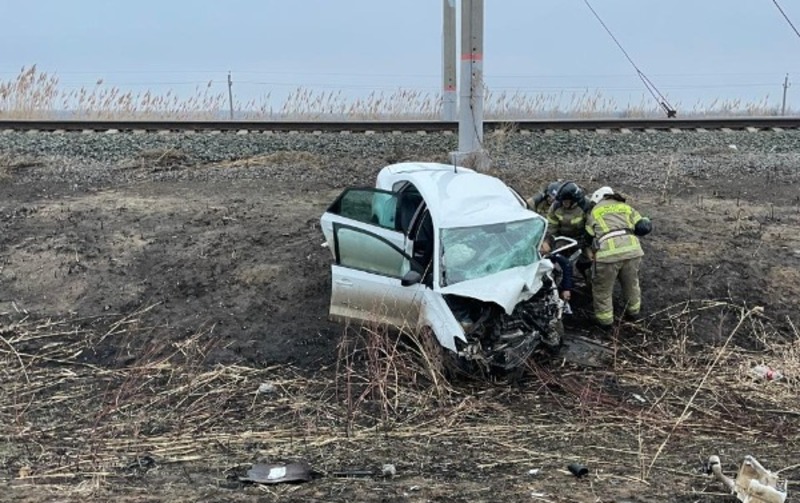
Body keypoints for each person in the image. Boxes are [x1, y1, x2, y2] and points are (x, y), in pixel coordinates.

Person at [584, 186, 652, 328]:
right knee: (631, 284)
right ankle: (633, 312)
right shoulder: (626, 207)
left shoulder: (595, 211)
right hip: (632, 252)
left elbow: (588, 236)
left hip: (607, 256)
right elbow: (643, 227)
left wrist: (588, 250)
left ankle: (605, 322)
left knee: (602, 289)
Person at [546, 181, 593, 284]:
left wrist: (585, 243)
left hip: (583, 238)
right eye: (562, 201)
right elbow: (551, 226)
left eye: (566, 202)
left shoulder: (586, 206)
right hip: (562, 238)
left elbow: (591, 227)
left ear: (574, 200)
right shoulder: (556, 206)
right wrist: (551, 241)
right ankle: (557, 281)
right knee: (555, 258)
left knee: (588, 261)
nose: (563, 204)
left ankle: (589, 282)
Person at [540, 235, 574, 303]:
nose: (541, 250)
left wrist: (566, 289)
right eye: (541, 247)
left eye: (543, 250)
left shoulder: (552, 256)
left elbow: (566, 265)